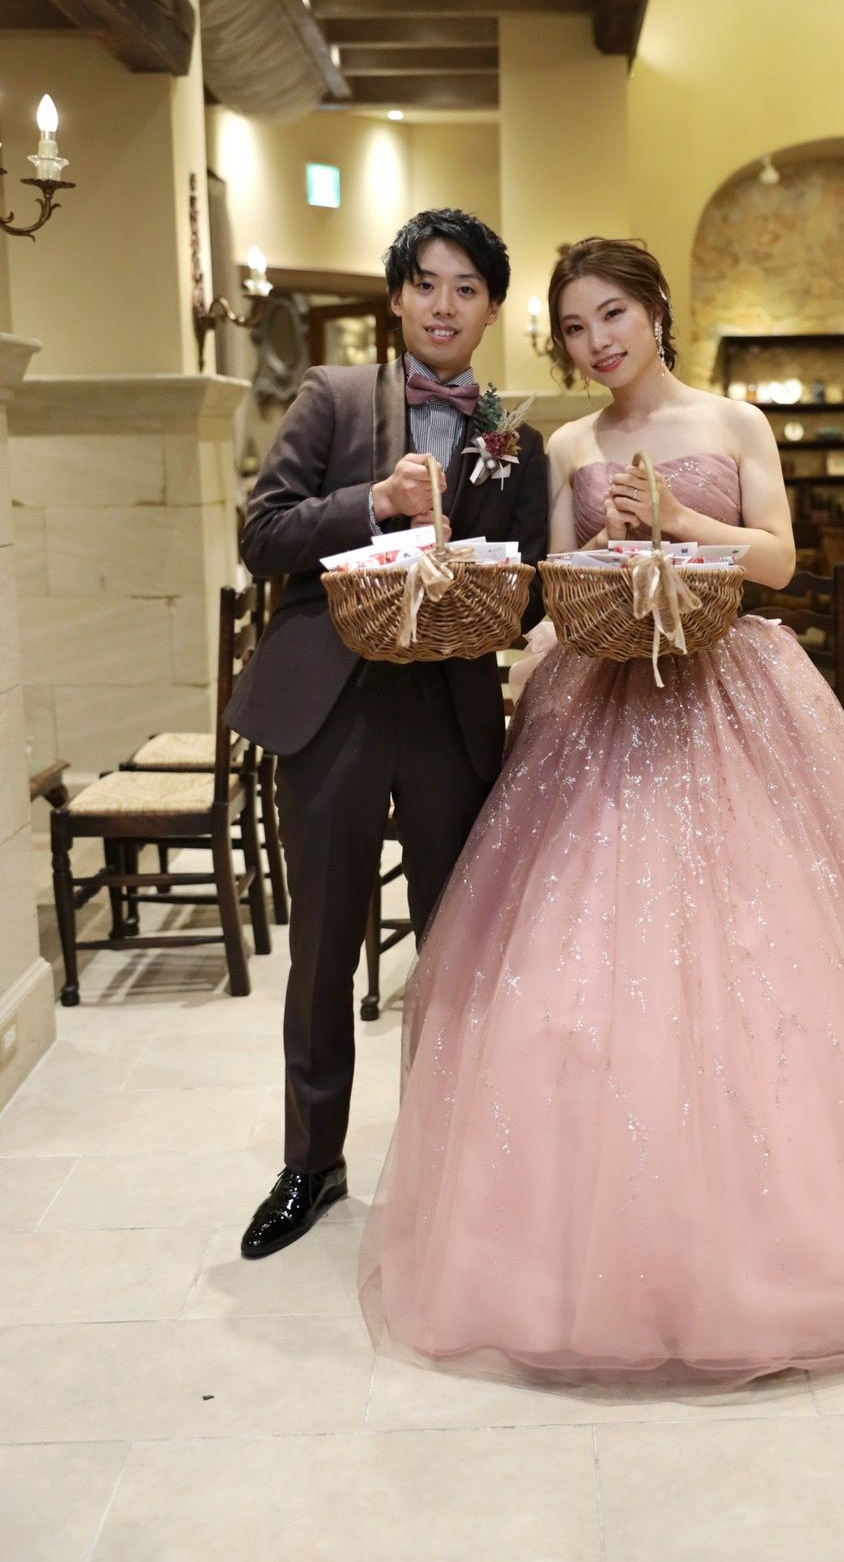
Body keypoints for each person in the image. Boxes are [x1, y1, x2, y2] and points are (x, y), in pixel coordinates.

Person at [358, 237, 844, 1388]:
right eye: (574, 326)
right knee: (576, 962)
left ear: (653, 311)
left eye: (611, 315)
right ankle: (568, 1239)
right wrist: (558, 573)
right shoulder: (570, 444)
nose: (596, 342)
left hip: (730, 689)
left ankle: (792, 1236)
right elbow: (560, 586)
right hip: (602, 699)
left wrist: (682, 522)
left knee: (773, 949)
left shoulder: (734, 422)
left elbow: (778, 563)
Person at [227, 208, 549, 1260]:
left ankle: (448, 1162)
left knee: (455, 946)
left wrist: (493, 581)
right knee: (323, 942)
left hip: (450, 711)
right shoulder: (331, 395)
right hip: (336, 703)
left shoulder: (518, 440)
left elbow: (531, 587)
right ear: (397, 297)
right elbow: (262, 535)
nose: (444, 305)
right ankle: (310, 1162)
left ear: (490, 309)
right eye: (426, 284)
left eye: (467, 288)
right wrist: (371, 500)